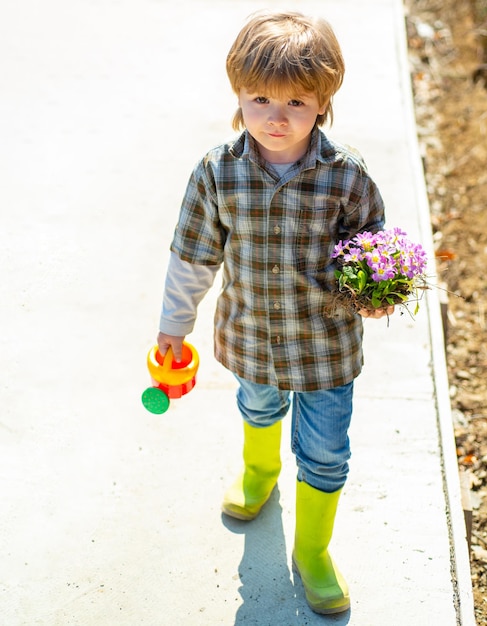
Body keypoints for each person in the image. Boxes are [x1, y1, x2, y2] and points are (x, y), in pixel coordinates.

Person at [155, 11, 392, 615]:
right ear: (237, 94)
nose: (276, 115)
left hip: (326, 348)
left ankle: (312, 550)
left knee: (326, 451)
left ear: (323, 103)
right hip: (253, 336)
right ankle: (259, 471)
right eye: (259, 98)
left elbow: (377, 250)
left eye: (296, 100)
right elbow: (193, 256)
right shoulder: (217, 171)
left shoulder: (346, 178)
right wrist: (172, 329)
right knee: (257, 402)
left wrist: (380, 287)